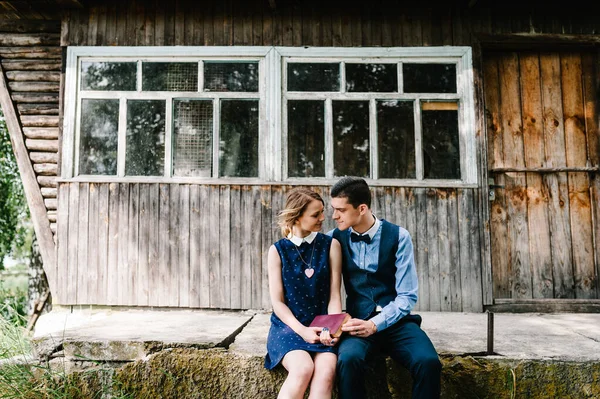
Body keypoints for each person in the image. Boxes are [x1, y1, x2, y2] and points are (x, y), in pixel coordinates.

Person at [327, 176, 442, 399]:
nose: (334, 216)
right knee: (348, 361)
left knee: (429, 363)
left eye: (340, 210)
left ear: (362, 208)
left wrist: (376, 324)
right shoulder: (333, 239)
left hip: (397, 322)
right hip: (357, 323)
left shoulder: (399, 236)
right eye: (333, 209)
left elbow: (407, 296)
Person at [265, 187, 343, 399]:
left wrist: (332, 328)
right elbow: (278, 303)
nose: (323, 218)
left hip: (323, 326)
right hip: (289, 327)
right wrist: (302, 330)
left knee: (326, 372)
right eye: (315, 214)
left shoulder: (331, 245)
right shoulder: (277, 251)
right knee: (302, 369)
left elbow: (335, 295)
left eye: (322, 212)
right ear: (297, 217)